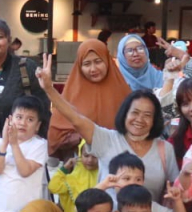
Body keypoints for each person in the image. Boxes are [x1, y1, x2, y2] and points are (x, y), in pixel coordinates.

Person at [38, 54, 179, 201]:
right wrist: (49, 89)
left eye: (147, 115)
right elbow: (76, 118)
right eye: (135, 113)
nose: (139, 119)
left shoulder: (165, 149)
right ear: (124, 114)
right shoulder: (107, 139)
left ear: (155, 120)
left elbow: (174, 191)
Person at [46, 39, 130, 157]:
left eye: (98, 61)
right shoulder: (71, 94)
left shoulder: (122, 91)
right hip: (80, 162)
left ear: (107, 60)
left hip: (118, 160)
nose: (93, 69)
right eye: (86, 64)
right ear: (79, 66)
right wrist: (85, 138)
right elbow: (56, 135)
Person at [0, 19, 50, 131]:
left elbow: (43, 106)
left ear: (9, 40)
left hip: (21, 136)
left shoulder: (27, 67)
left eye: (0, 37)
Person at [48, 141, 99, 212]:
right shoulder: (73, 178)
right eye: (86, 156)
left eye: (94, 156)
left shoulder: (103, 175)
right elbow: (53, 187)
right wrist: (64, 168)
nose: (90, 160)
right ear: (80, 155)